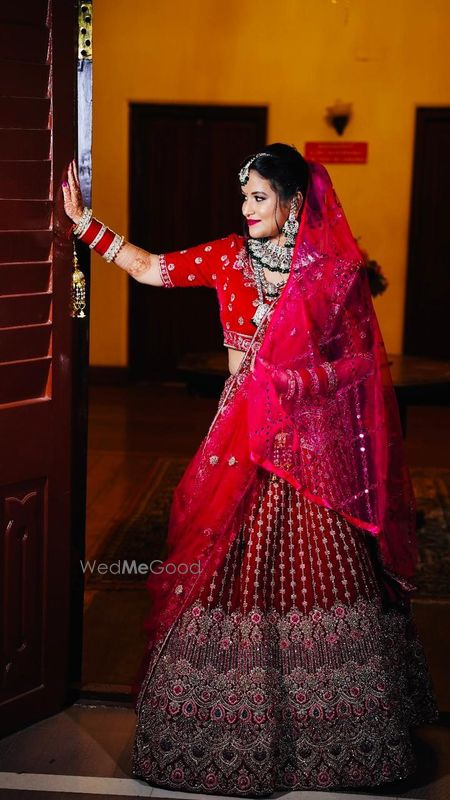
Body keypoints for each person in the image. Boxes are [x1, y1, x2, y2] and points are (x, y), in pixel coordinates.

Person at [63, 144, 438, 797]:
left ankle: (335, 734)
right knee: (221, 557)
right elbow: (151, 269)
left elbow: (359, 363)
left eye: (259, 197)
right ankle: (224, 727)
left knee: (322, 567)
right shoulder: (228, 257)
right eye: (244, 197)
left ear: (294, 203)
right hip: (239, 435)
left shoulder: (332, 273)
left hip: (307, 445)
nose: (246, 208)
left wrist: (297, 381)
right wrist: (86, 226)